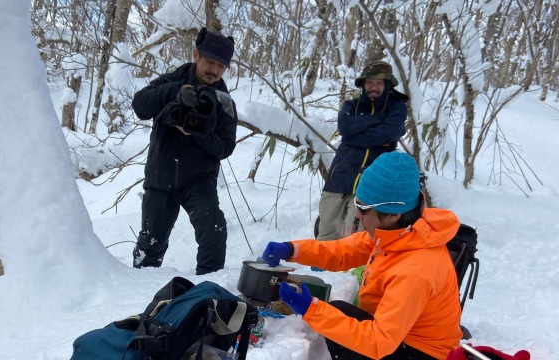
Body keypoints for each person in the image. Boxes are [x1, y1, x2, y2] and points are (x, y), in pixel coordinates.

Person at [262, 151, 463, 359]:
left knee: (340, 325)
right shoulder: (400, 232)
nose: (357, 214)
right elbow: (343, 251)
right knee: (339, 311)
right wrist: (292, 249)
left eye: (363, 208)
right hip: (398, 336)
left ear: (394, 214)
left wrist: (310, 309)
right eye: (357, 203)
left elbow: (378, 342)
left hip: (420, 353)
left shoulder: (415, 270)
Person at [131, 27, 238, 275]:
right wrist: (175, 93)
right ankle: (137, 290)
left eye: (221, 66)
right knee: (151, 244)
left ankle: (210, 286)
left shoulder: (224, 101)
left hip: (199, 179)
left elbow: (225, 147)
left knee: (213, 228)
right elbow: (139, 105)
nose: (214, 70)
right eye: (210, 61)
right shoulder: (170, 81)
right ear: (196, 54)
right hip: (161, 175)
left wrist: (201, 134)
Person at [317, 60, 409, 241]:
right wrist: (377, 121)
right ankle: (320, 265)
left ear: (388, 85)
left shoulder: (396, 107)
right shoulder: (351, 105)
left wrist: (354, 135)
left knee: (356, 233)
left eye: (379, 83)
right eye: (369, 82)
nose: (373, 87)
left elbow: (388, 133)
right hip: (340, 174)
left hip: (370, 181)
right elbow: (345, 128)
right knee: (327, 226)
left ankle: (352, 268)